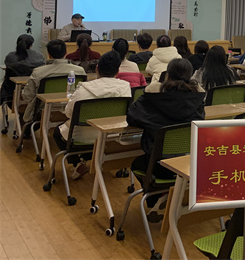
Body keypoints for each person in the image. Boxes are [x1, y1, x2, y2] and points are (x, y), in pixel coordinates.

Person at [127, 58, 205, 218]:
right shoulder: (197, 99)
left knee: (137, 163)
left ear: (167, 75)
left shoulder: (151, 97)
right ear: (190, 76)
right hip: (189, 164)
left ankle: (159, 196)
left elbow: (132, 117)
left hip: (159, 166)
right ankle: (167, 196)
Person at [53, 51, 131, 179]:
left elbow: (68, 113)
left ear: (97, 69)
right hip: (112, 136)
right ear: (117, 72)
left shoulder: (83, 89)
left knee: (58, 133)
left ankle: (77, 162)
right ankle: (87, 160)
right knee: (95, 140)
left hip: (82, 137)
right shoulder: (125, 87)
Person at [22, 40, 86, 124]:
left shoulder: (38, 72)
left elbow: (27, 96)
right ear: (66, 53)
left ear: (49, 55)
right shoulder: (80, 71)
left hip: (43, 110)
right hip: (72, 109)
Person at [1, 35, 45, 104]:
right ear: (31, 45)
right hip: (34, 90)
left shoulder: (10, 56)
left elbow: (8, 66)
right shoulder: (39, 56)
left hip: (12, 90)